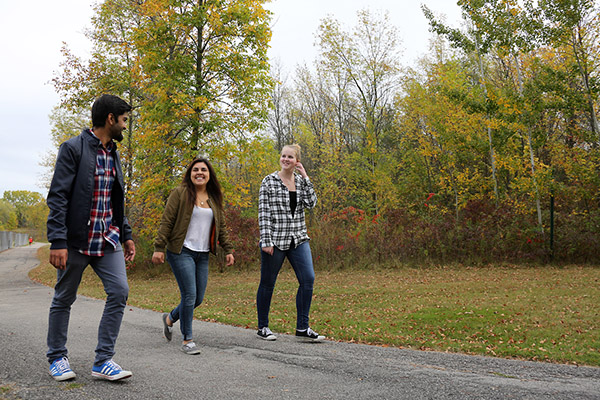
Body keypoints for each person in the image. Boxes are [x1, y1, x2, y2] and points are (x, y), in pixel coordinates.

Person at [46, 94, 135, 381]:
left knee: (119, 292)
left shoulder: (114, 153)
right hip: (75, 241)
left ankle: (103, 360)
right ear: (110, 119)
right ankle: (57, 357)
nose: (124, 126)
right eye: (123, 120)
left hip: (107, 239)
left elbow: (116, 200)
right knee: (64, 297)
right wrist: (57, 240)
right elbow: (58, 197)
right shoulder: (73, 148)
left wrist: (126, 235)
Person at [152, 157, 235, 355]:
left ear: (209, 175)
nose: (199, 173)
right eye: (195, 169)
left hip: (202, 254)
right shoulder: (180, 193)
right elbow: (167, 221)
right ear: (190, 174)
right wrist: (159, 247)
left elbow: (221, 227)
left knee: (198, 299)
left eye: (203, 170)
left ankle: (170, 318)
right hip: (181, 251)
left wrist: (229, 250)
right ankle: (187, 339)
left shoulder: (214, 198)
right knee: (189, 295)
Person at [256, 144, 325, 342]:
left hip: (298, 238)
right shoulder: (269, 181)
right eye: (283, 156)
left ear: (297, 161)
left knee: (308, 279)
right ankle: (263, 327)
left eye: (290, 157)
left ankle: (302, 327)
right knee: (268, 283)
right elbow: (263, 213)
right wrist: (266, 240)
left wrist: (306, 177)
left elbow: (311, 204)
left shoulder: (301, 182)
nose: (286, 159)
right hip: (275, 240)